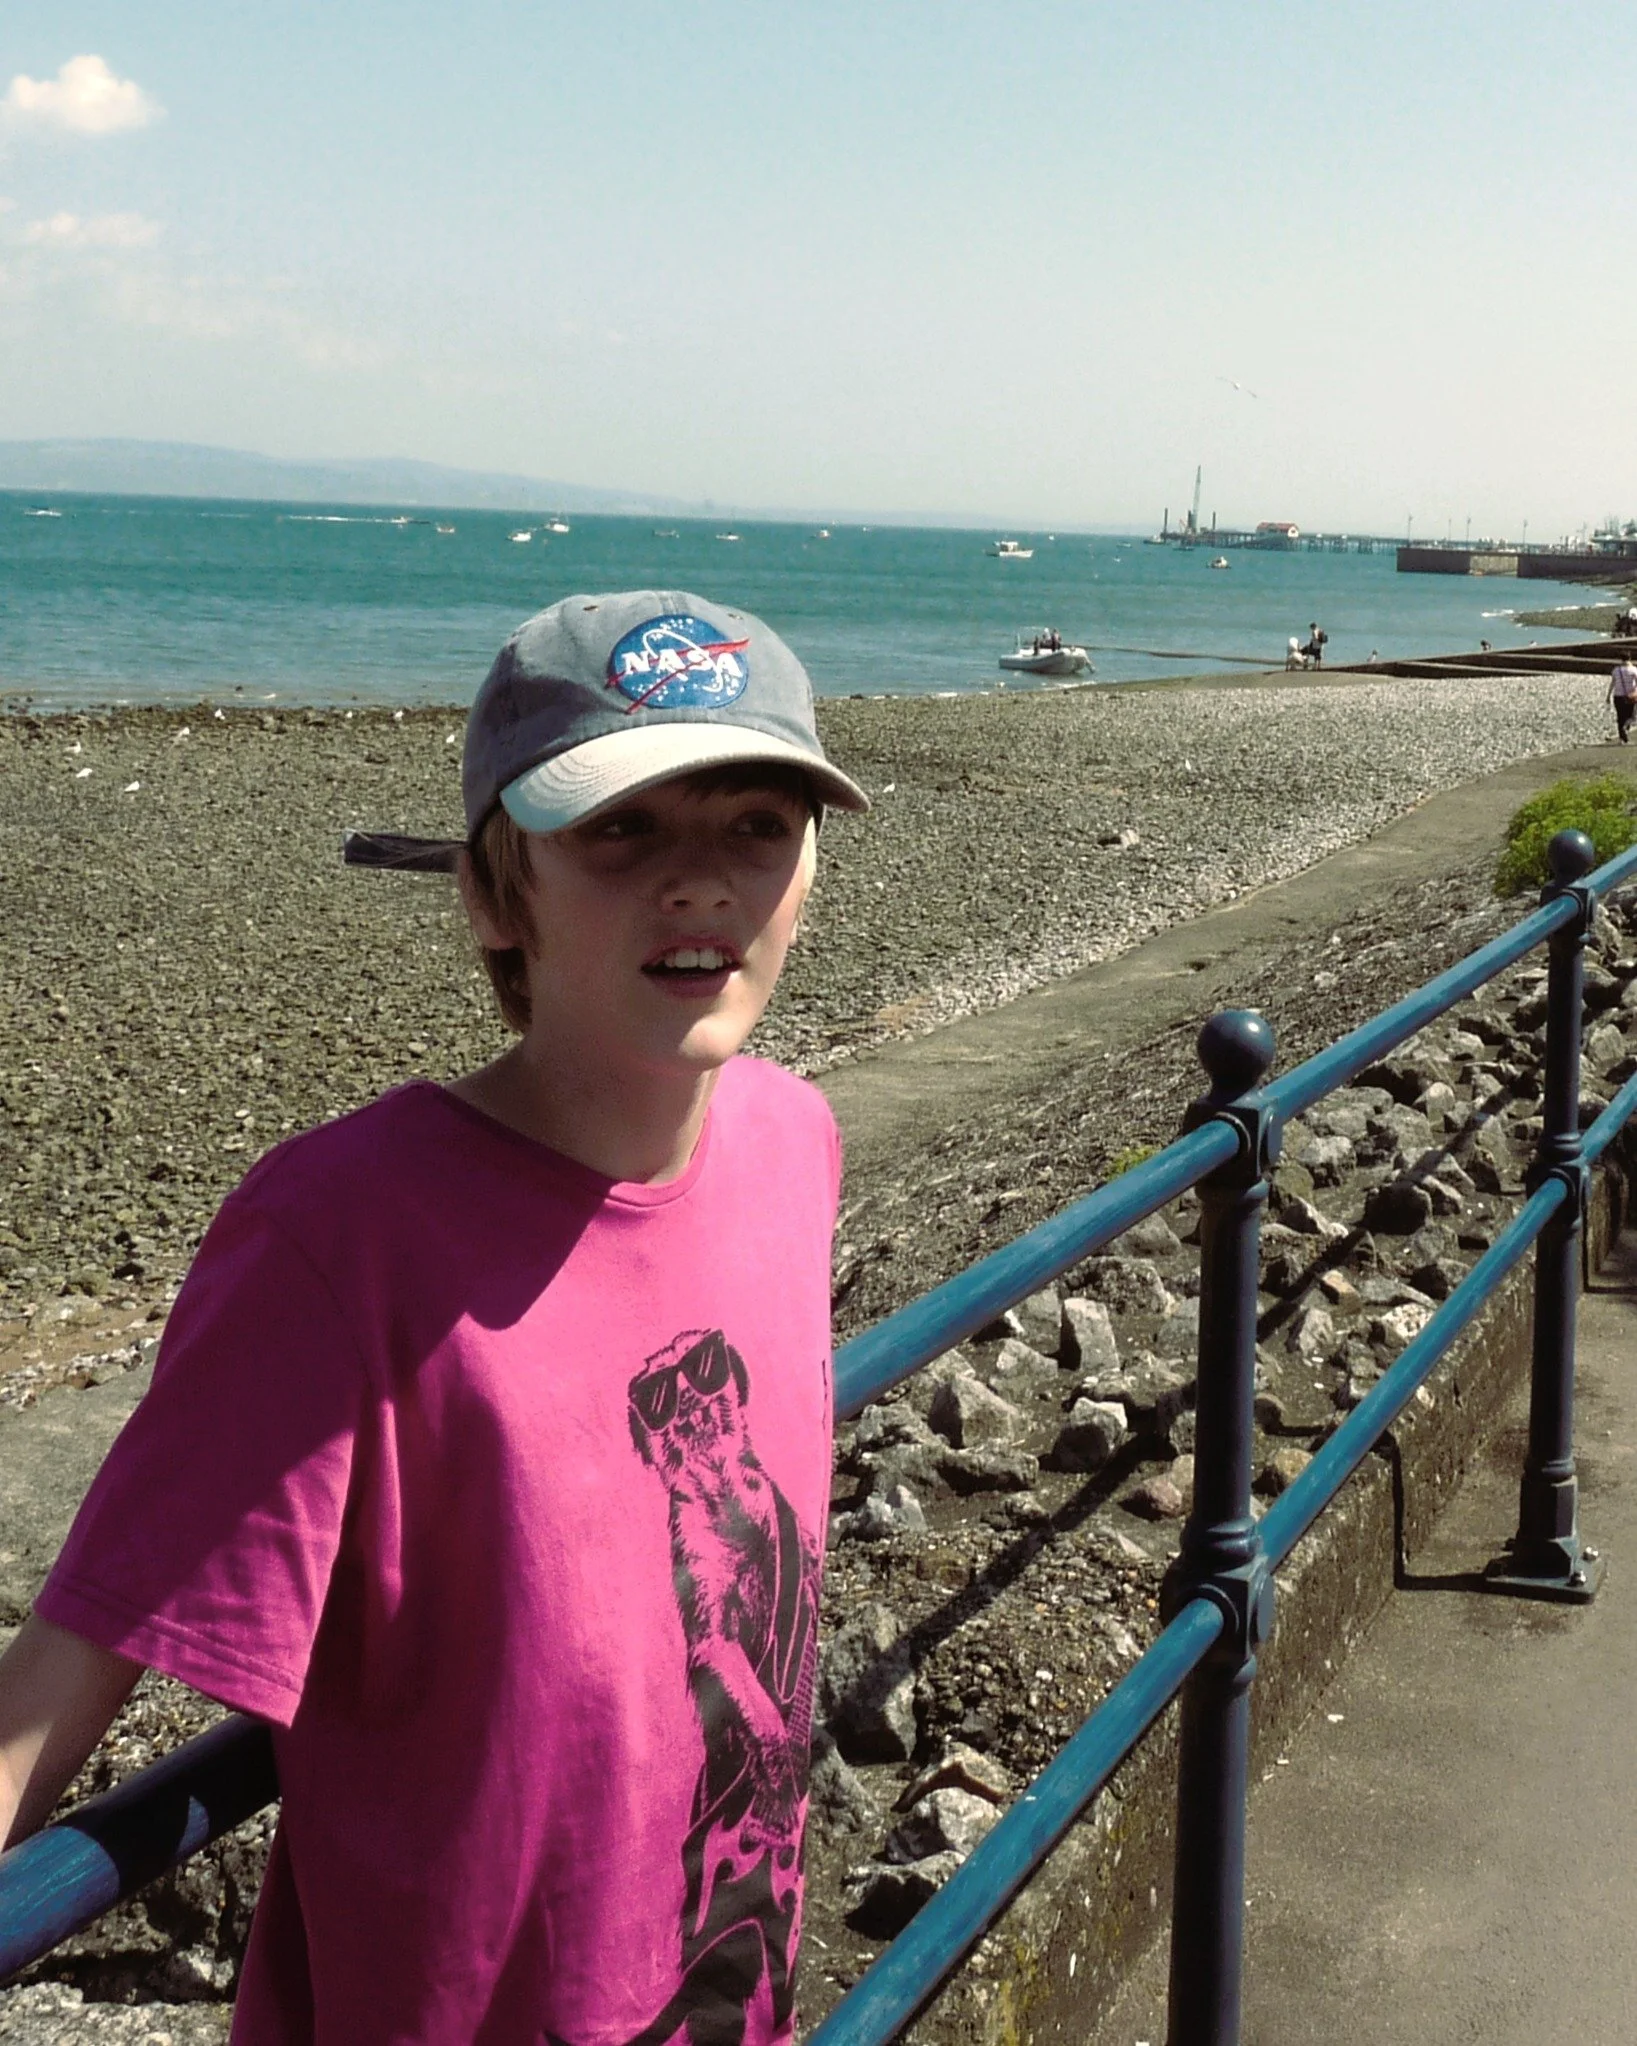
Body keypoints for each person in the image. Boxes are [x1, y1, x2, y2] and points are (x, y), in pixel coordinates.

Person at [0, 592, 869, 2045]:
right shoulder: (343, 1231)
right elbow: (80, 1652)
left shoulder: (795, 1141)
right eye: (622, 830)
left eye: (755, 825)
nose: (699, 883)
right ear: (490, 890)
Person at [1608, 651, 1637, 743]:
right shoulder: (1634, 670)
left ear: (1621, 659)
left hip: (1618, 696)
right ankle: (1625, 729)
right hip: (1630, 696)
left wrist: (1608, 695)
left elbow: (1612, 683)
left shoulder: (1616, 670)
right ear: (1630, 658)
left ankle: (1622, 738)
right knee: (1631, 716)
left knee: (1620, 717)